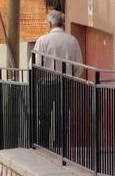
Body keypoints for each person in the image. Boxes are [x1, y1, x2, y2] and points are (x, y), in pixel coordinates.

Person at [31, 10, 84, 151]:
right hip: (64, 83)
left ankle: (43, 144)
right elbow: (79, 67)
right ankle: (60, 146)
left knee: (44, 116)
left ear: (50, 24)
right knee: (62, 115)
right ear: (62, 23)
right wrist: (71, 77)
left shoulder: (42, 41)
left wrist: (37, 79)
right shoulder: (72, 41)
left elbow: (33, 64)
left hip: (46, 84)